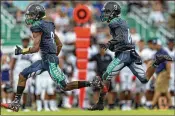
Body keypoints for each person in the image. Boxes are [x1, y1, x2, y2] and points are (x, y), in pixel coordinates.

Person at [1, 4, 100, 112]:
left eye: (31, 15)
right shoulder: (49, 25)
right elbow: (60, 44)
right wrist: (53, 56)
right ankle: (16, 103)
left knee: (65, 86)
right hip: (46, 60)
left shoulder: (37, 26)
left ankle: (92, 83)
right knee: (22, 75)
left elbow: (35, 48)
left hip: (49, 60)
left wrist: (22, 51)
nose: (29, 17)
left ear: (36, 15)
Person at [88, 1, 172, 110]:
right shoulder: (121, 22)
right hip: (132, 53)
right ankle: (156, 62)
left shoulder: (114, 22)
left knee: (105, 76)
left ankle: (100, 103)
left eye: (107, 11)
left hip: (124, 54)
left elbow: (121, 37)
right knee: (144, 79)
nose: (105, 14)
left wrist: (110, 43)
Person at [10, 37, 33, 112]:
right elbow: (13, 63)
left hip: (27, 73)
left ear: (29, 42)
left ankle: (23, 107)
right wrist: (11, 75)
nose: (25, 42)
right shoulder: (18, 49)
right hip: (18, 73)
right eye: (24, 41)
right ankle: (11, 106)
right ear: (22, 41)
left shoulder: (31, 51)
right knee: (15, 90)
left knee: (25, 91)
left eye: (27, 41)